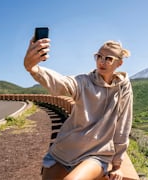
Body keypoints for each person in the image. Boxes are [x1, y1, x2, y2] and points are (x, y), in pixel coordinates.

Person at [24, 36, 133, 180]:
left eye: (108, 58)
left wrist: (117, 166)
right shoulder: (83, 82)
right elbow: (61, 83)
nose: (102, 61)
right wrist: (33, 69)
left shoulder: (123, 88)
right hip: (63, 152)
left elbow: (123, 127)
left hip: (96, 154)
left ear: (119, 63)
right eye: (99, 56)